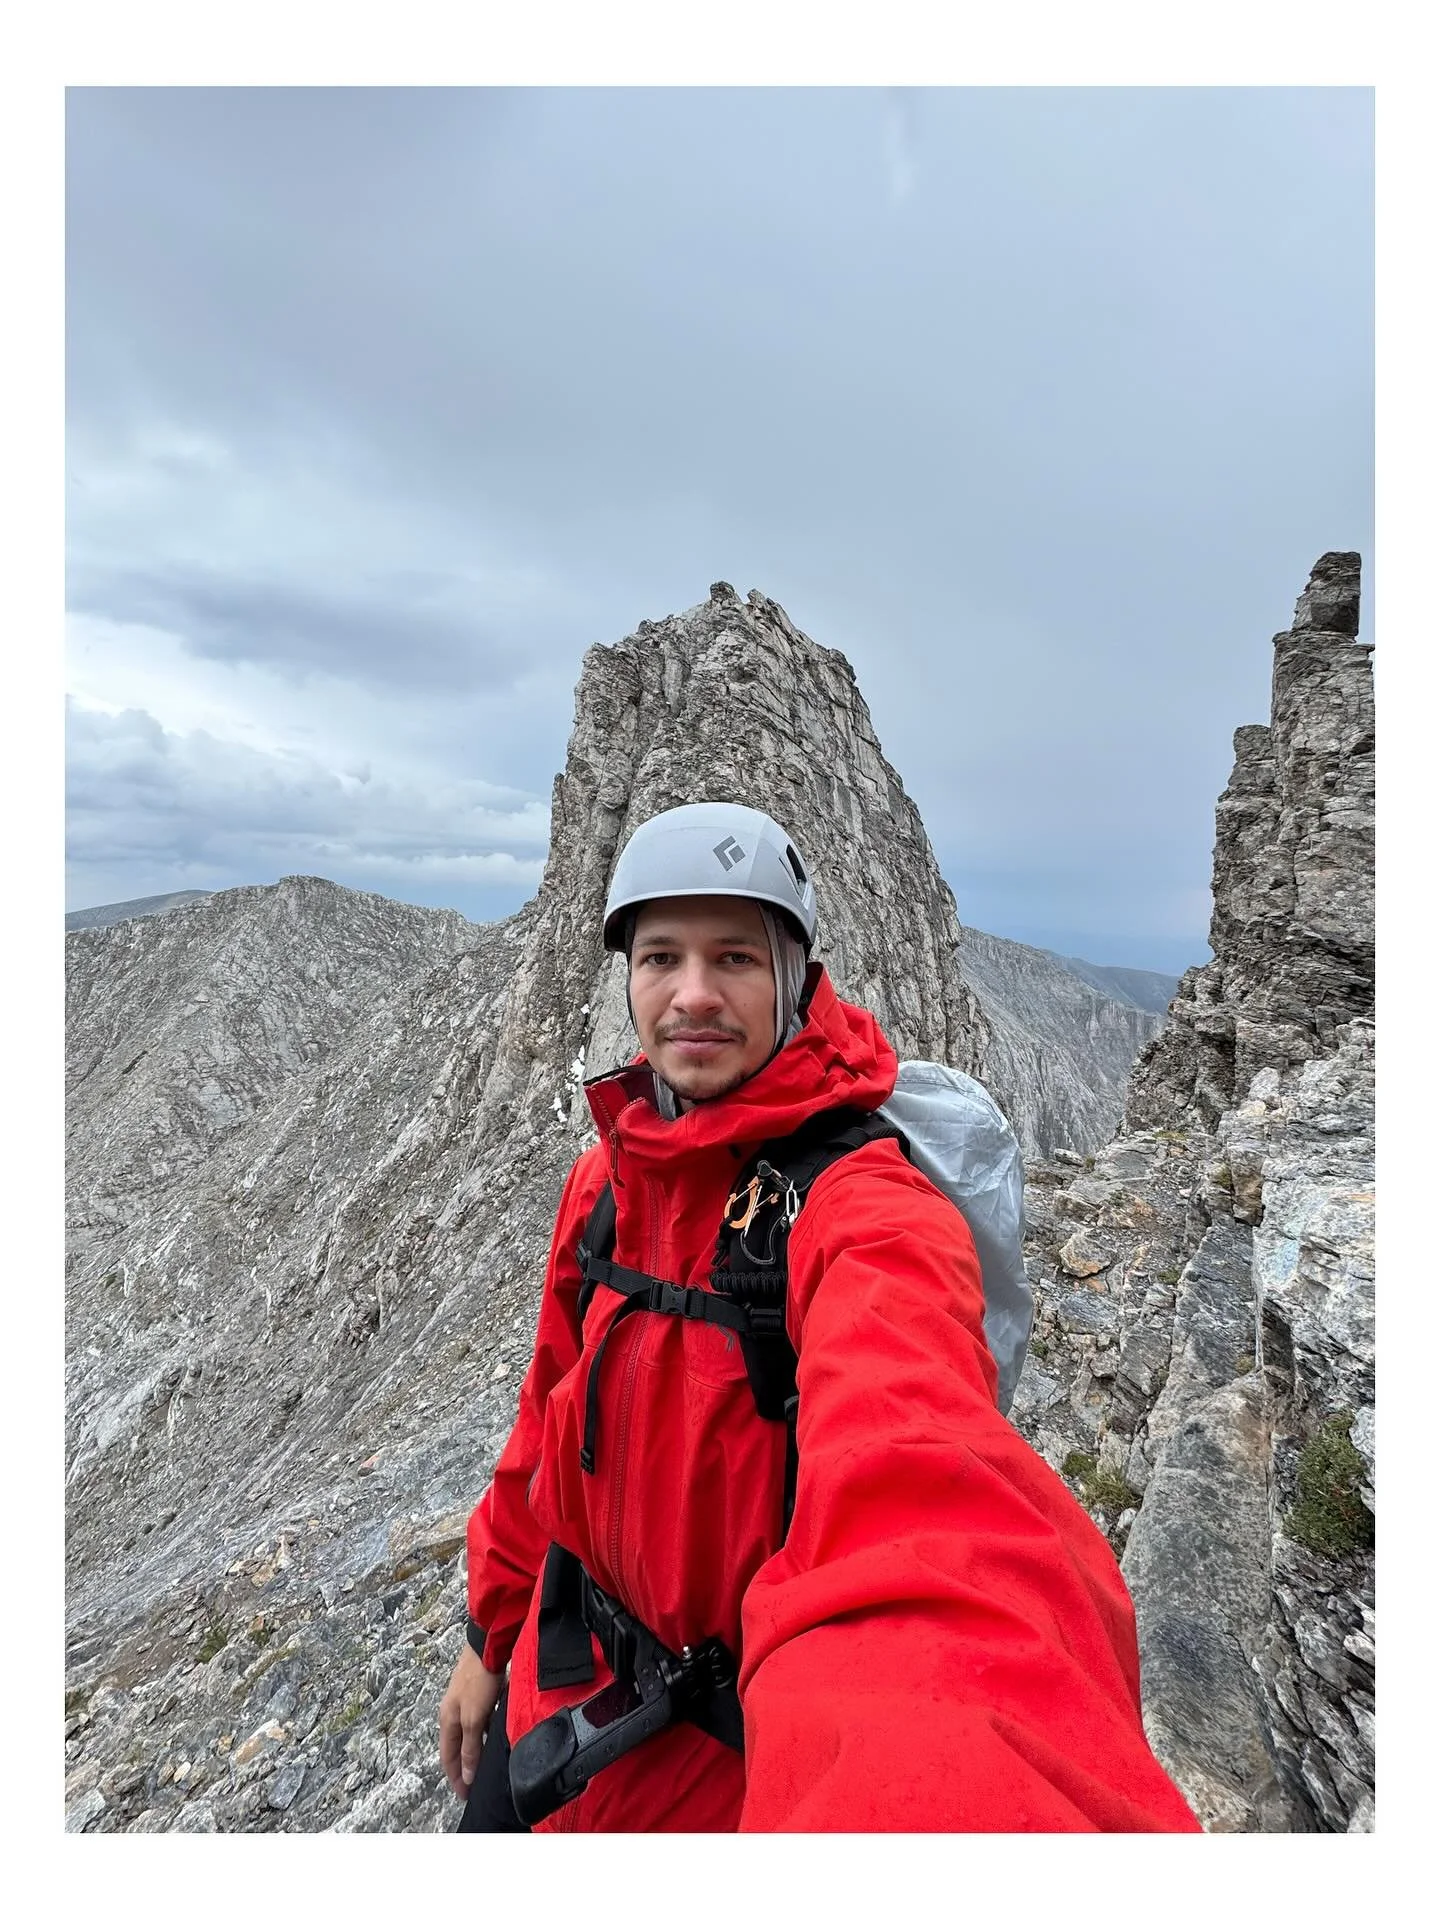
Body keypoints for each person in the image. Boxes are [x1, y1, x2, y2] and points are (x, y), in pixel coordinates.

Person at [438, 801, 1201, 1832]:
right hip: (556, 1690)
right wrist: (489, 1638)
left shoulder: (863, 1210)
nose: (693, 993)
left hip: (717, 1779)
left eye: (736, 959)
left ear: (795, 978)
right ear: (628, 979)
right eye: (661, 955)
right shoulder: (606, 1185)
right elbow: (547, 1417)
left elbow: (922, 1493)